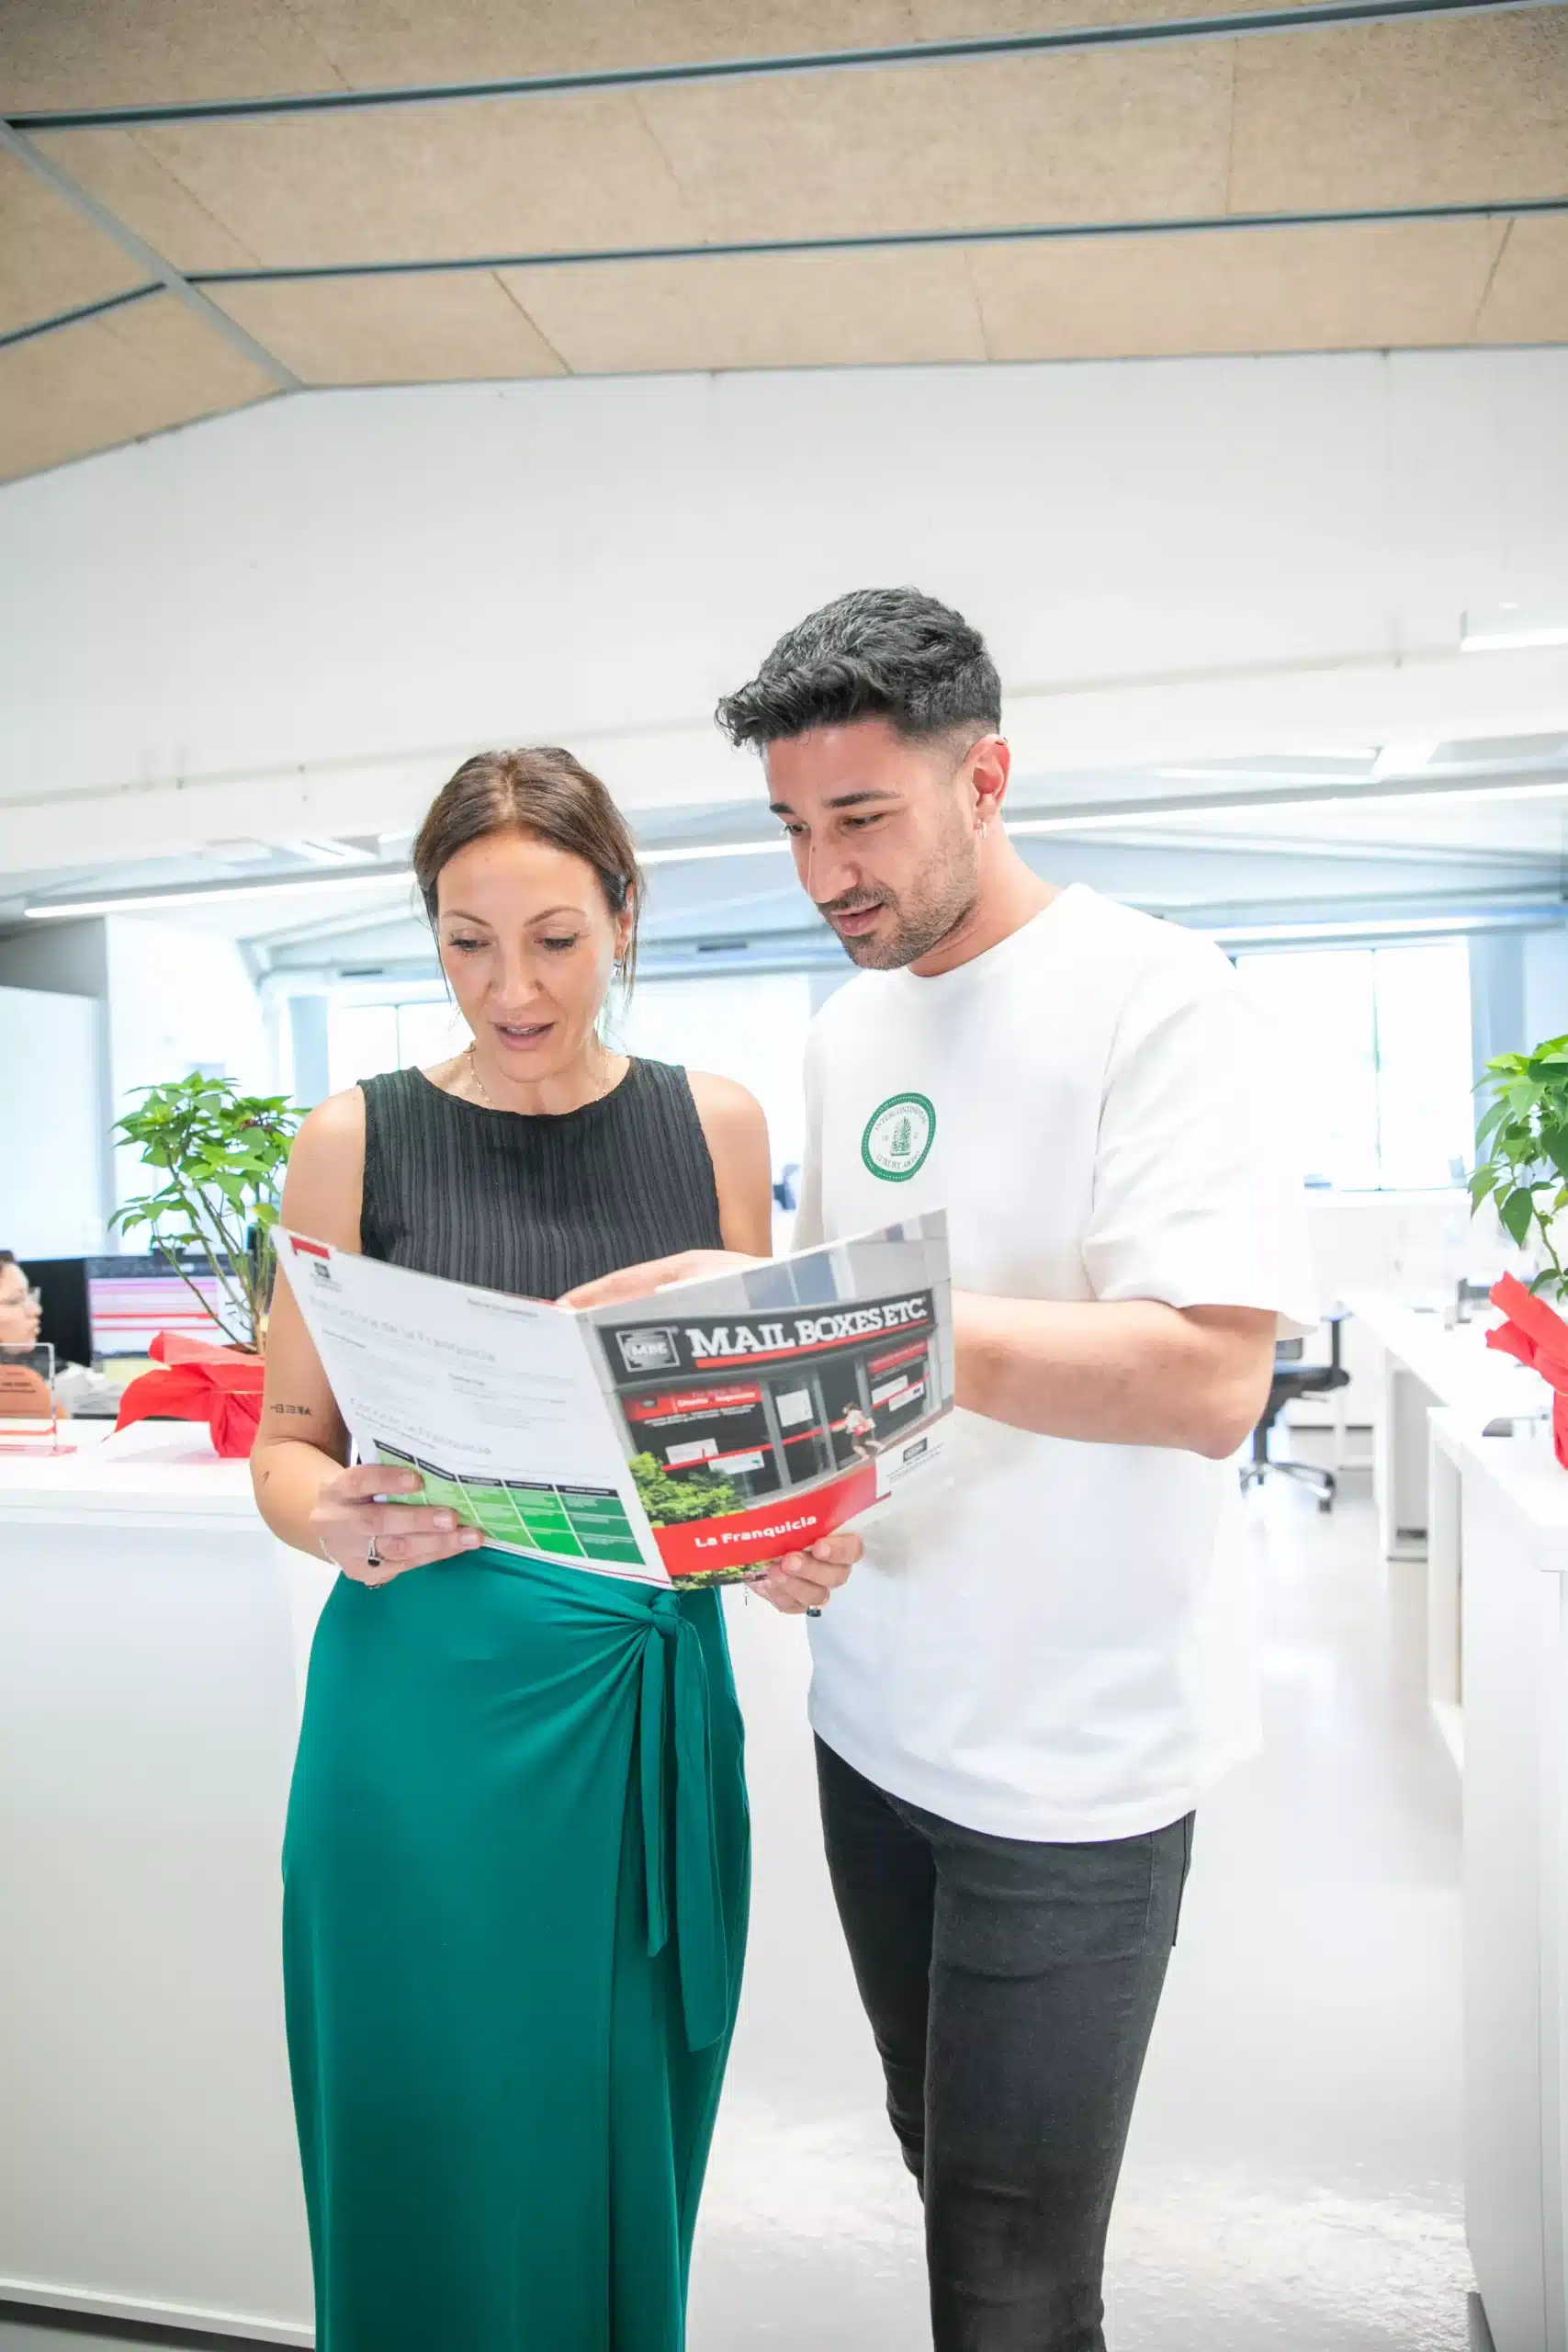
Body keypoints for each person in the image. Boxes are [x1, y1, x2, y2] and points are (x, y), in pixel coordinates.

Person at [568, 591, 1318, 2352]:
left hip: (1073, 1760)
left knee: (1007, 2275)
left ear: (983, 776)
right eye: (791, 828)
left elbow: (1211, 1379)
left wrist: (826, 1309)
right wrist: (793, 1502)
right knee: (937, 2170)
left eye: (862, 819)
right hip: (873, 1719)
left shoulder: (1156, 994)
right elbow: (859, 1375)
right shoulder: (854, 1025)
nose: (824, 872)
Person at [251, 747, 858, 2352]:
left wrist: (787, 1542)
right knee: (428, 2132)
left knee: (616, 2122)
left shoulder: (713, 1125)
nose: (509, 987)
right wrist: (330, 1517)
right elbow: (285, 1439)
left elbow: (749, 1438)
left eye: (554, 939)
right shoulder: (354, 1137)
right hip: (419, 1711)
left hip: (642, 1702)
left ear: (626, 916)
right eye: (464, 940)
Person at [0, 1250, 117, 1413]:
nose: (36, 1310)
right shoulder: (39, 1389)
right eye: (14, 1301)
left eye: (30, 1295)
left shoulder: (53, 1376)